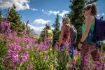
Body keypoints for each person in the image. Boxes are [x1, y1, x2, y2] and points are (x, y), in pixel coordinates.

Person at [78, 3, 105, 70]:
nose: (84, 11)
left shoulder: (89, 17)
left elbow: (86, 32)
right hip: (94, 44)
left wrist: (80, 42)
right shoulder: (92, 18)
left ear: (90, 10)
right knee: (98, 63)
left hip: (87, 44)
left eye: (85, 10)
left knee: (83, 63)